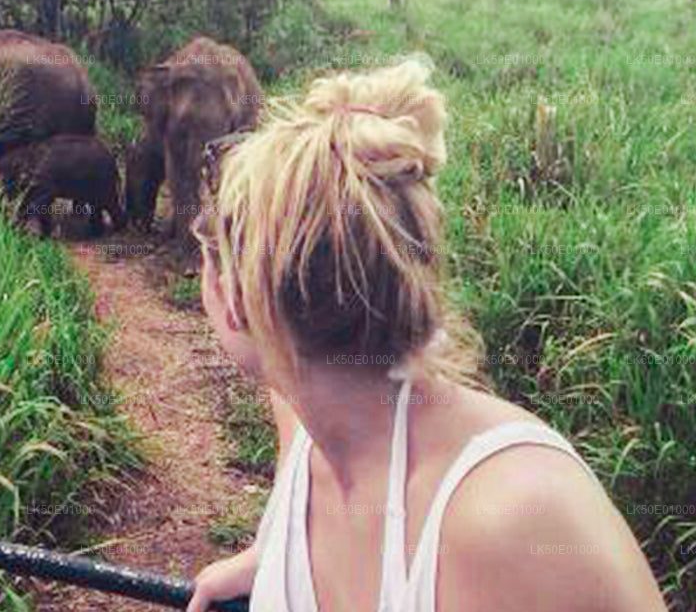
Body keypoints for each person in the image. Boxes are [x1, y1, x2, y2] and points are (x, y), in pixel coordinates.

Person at [184, 61, 666, 612]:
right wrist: (272, 555)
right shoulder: (314, 420)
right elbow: (294, 388)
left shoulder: (516, 520)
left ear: (236, 298)